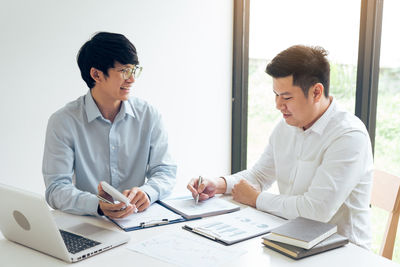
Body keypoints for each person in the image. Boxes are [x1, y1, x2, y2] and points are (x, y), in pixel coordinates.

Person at [187, 45, 373, 249]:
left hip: (343, 251)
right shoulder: (287, 127)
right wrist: (219, 184)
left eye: (286, 97)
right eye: (275, 94)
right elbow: (259, 177)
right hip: (292, 240)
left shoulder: (348, 136)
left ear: (316, 92)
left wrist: (257, 199)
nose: (277, 104)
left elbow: (315, 211)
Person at [43, 32, 176, 219]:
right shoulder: (64, 121)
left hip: (138, 221)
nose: (132, 79)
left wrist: (148, 192)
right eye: (124, 71)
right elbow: (56, 189)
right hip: (89, 223)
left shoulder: (149, 115)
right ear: (96, 74)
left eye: (134, 70)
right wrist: (96, 204)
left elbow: (165, 171)